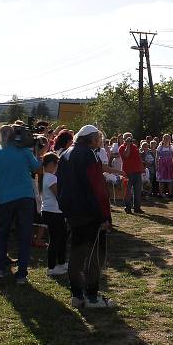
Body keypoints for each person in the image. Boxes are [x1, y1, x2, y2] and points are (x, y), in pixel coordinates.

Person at [56, 125, 115, 308]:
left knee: (76, 253)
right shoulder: (88, 155)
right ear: (91, 138)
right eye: (98, 137)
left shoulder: (66, 153)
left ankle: (77, 295)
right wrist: (104, 216)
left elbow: (61, 184)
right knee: (94, 254)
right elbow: (97, 188)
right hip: (90, 213)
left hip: (73, 212)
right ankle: (91, 296)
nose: (100, 140)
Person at [0, 124, 40, 284]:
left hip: (5, 198)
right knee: (24, 234)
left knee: (2, 234)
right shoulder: (24, 152)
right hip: (25, 197)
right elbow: (37, 169)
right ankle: (22, 273)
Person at [41, 152, 67, 276]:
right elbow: (59, 195)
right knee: (56, 239)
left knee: (61, 238)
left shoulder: (45, 176)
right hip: (54, 212)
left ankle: (61, 262)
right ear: (52, 164)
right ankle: (51, 267)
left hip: (51, 211)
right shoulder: (51, 177)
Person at [119, 132, 144, 214]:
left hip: (137, 172)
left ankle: (137, 207)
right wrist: (128, 145)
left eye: (130, 138)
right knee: (127, 191)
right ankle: (128, 207)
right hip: (127, 173)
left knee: (138, 191)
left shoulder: (135, 146)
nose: (129, 139)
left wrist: (142, 168)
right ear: (124, 139)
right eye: (127, 138)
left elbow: (138, 158)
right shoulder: (121, 148)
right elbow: (126, 155)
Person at [156, 134, 173, 198]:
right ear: (163, 139)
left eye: (168, 138)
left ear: (170, 139)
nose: (166, 139)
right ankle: (161, 193)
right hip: (162, 165)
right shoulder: (159, 147)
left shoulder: (171, 147)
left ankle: (170, 193)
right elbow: (157, 157)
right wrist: (157, 165)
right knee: (161, 179)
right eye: (165, 138)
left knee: (170, 179)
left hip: (169, 165)